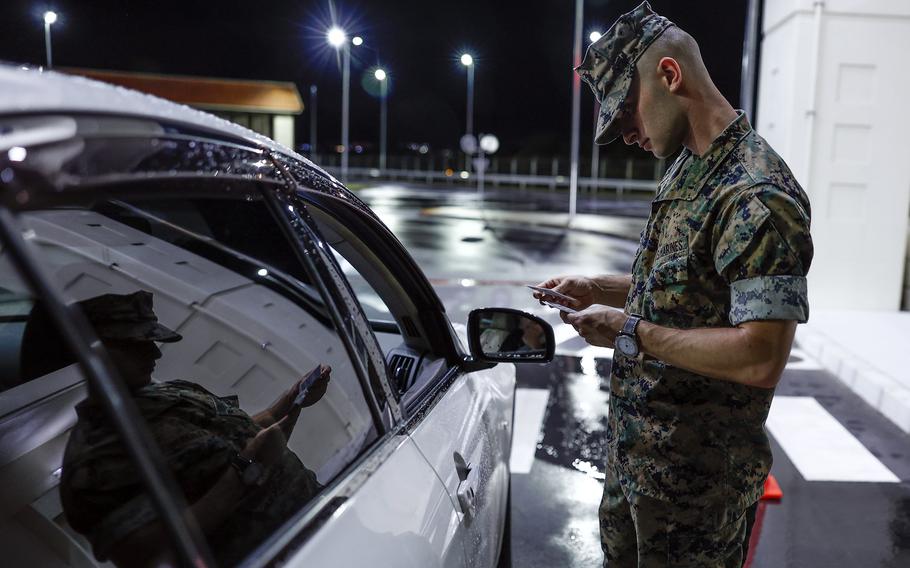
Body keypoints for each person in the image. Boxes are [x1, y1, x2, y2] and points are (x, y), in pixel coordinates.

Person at [534, 2, 813, 567]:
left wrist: (629, 331)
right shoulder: (690, 166)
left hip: (697, 500)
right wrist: (598, 288)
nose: (625, 134)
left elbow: (760, 356)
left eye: (627, 112)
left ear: (669, 75)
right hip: (636, 469)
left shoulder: (756, 194)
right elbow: (679, 289)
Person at [59, 290, 331, 567]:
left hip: (321, 520)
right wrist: (247, 469)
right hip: (285, 555)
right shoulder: (92, 458)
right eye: (136, 344)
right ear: (92, 352)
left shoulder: (173, 391)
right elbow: (150, 555)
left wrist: (292, 403)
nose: (154, 351)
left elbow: (242, 435)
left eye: (152, 340)